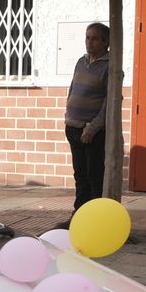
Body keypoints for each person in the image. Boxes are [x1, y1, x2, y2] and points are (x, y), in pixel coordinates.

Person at [64, 22, 110, 214]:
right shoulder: (80, 62)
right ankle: (79, 213)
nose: (89, 42)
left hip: (91, 131)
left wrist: (91, 129)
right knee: (80, 175)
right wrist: (68, 115)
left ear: (105, 42)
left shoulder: (109, 66)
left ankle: (94, 215)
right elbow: (72, 89)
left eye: (94, 39)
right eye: (87, 37)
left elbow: (108, 104)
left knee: (94, 176)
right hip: (73, 126)